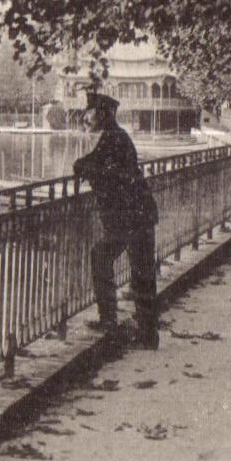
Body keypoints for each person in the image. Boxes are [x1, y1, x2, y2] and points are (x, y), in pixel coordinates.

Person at [72, 92, 161, 349]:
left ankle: (112, 320)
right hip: (138, 215)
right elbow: (98, 162)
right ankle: (146, 334)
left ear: (102, 114)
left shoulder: (113, 137)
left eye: (90, 112)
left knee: (103, 257)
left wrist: (82, 167)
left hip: (132, 217)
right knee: (141, 273)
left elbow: (102, 169)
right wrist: (84, 165)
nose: (86, 118)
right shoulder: (115, 137)